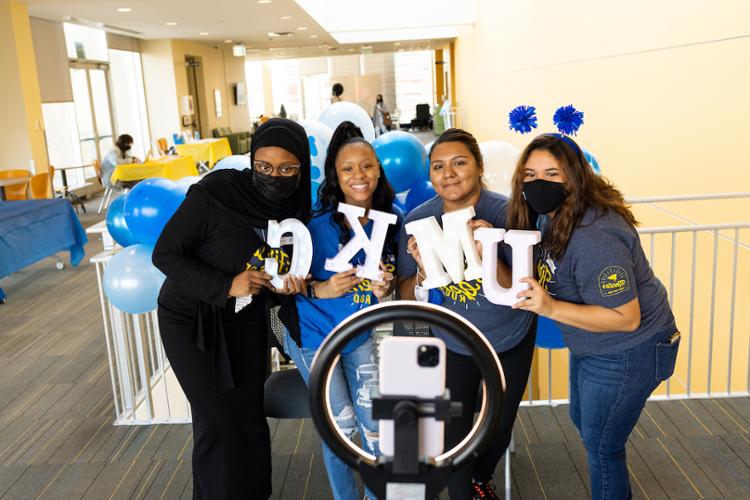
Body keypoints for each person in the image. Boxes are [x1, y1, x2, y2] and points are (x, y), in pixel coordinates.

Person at [506, 133, 680, 500]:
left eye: (553, 174)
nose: (540, 183)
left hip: (632, 347)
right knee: (585, 423)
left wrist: (550, 308)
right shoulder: (552, 217)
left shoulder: (594, 236)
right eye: (531, 174)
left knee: (603, 446)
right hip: (595, 343)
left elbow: (626, 317)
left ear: (575, 177)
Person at [152, 118, 312, 499]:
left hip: (245, 322)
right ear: (252, 160)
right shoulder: (217, 193)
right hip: (193, 321)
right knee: (218, 424)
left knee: (249, 419)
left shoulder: (298, 209)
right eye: (265, 167)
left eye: (287, 168)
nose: (275, 176)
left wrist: (287, 288)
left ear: (301, 167)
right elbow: (166, 254)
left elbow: (274, 276)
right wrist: (227, 285)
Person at [397, 128, 536, 500]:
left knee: (498, 427)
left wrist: (487, 251)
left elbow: (522, 291)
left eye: (459, 163)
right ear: (430, 174)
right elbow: (404, 292)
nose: (449, 173)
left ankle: (479, 476)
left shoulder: (507, 213)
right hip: (453, 342)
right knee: (452, 432)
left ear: (479, 167)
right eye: (439, 166)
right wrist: (424, 272)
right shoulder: (417, 220)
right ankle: (464, 489)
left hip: (508, 338)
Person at [282, 121, 399, 500]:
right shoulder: (315, 226)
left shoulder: (393, 219)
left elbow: (393, 279)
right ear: (336, 175)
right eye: (348, 169)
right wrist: (322, 287)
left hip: (360, 332)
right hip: (315, 337)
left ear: (378, 169)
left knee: (377, 428)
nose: (358, 176)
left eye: (366, 166)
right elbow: (282, 286)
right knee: (340, 429)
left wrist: (387, 287)